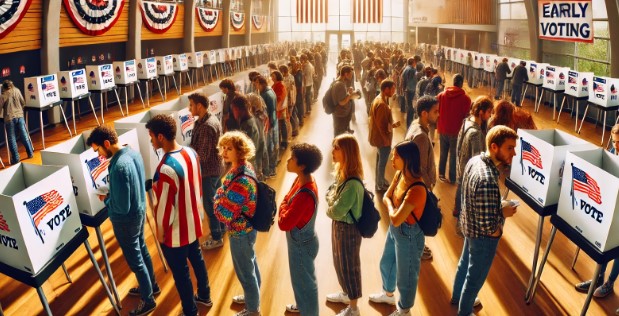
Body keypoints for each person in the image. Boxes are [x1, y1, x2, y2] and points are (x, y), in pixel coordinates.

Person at [86, 126, 158, 316]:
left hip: (126, 221)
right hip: (139, 211)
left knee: (136, 261)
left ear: (107, 143)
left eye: (98, 149)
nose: (99, 155)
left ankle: (148, 300)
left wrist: (107, 199)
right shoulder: (132, 153)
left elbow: (121, 207)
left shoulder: (118, 167)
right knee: (142, 249)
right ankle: (151, 286)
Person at [146, 115, 213, 316]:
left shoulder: (165, 169)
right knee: (198, 260)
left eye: (151, 136)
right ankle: (205, 296)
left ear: (160, 137)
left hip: (175, 232)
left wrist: (160, 232)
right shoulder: (191, 152)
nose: (150, 140)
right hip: (193, 221)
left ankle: (190, 311)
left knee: (181, 272)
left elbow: (165, 208)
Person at [451, 125, 519, 316]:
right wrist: (502, 214)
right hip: (483, 239)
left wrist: (497, 204)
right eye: (510, 148)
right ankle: (464, 312)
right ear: (494, 147)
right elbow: (489, 227)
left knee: (464, 264)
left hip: (468, 226)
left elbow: (474, 198)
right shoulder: (488, 179)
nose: (514, 153)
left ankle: (457, 297)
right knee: (475, 280)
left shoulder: (475, 161)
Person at [368, 141, 427, 316]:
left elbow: (394, 218)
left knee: (406, 276)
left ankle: (404, 309)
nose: (392, 158)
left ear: (407, 159)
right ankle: (388, 294)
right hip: (397, 231)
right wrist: (390, 204)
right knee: (387, 263)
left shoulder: (416, 189)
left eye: (396, 156)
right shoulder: (400, 175)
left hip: (409, 234)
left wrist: (389, 204)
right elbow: (386, 196)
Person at [214, 131, 261, 316]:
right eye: (223, 148)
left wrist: (218, 194)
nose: (224, 152)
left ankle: (252, 310)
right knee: (251, 265)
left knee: (245, 272)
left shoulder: (241, 179)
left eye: (229, 149)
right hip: (247, 229)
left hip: (240, 231)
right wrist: (223, 193)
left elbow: (223, 214)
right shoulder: (242, 167)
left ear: (240, 151)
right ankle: (253, 298)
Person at [574, 124, 619, 300]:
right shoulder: (612, 151)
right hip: (609, 203)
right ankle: (598, 278)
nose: (617, 146)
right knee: (604, 241)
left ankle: (610, 282)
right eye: (615, 142)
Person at [278, 143, 323, 316]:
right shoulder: (301, 179)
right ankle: (302, 306)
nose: (288, 161)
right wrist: (286, 205)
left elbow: (284, 223)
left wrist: (284, 206)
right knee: (300, 281)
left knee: (306, 284)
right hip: (301, 242)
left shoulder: (305, 193)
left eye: (292, 159)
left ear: (302, 165)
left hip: (301, 246)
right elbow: (286, 199)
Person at [325, 134, 365, 316]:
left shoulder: (353, 183)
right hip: (339, 227)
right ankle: (346, 294)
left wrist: (330, 207)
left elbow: (336, 210)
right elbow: (330, 194)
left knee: (350, 266)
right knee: (339, 263)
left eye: (336, 148)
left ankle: (354, 308)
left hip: (348, 229)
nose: (332, 151)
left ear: (347, 152)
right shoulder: (342, 174)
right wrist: (332, 203)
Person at [187, 92, 226, 250]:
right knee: (218, 202)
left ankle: (216, 237)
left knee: (211, 206)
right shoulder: (206, 120)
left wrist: (186, 155)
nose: (189, 109)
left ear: (199, 106)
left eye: (191, 105)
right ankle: (221, 229)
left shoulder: (206, 126)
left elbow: (201, 156)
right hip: (215, 169)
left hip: (209, 172)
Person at [453, 96, 494, 237]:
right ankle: (461, 226)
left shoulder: (466, 122)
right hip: (469, 173)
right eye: (489, 112)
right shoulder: (476, 134)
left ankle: (458, 216)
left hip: (461, 167)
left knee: (460, 194)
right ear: (481, 112)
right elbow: (477, 159)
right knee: (465, 199)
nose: (490, 115)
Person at [405, 95, 439, 261]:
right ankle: (417, 247)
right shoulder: (421, 136)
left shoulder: (415, 125)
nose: (438, 115)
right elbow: (420, 167)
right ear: (424, 113)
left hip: (415, 185)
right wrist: (427, 187)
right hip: (420, 186)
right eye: (435, 112)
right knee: (419, 219)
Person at [437, 74, 471, 184]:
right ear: (461, 83)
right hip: (456, 131)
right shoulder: (466, 99)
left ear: (453, 82)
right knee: (453, 155)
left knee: (443, 153)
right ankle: (452, 178)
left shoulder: (441, 95)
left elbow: (436, 110)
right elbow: (466, 116)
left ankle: (441, 174)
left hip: (442, 128)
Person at [369, 79, 400, 192]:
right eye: (392, 89)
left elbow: (382, 122)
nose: (393, 91)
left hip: (380, 138)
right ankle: (380, 184)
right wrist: (386, 141)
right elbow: (381, 126)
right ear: (386, 89)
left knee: (379, 161)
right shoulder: (381, 104)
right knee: (382, 163)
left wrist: (393, 125)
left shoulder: (379, 99)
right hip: (383, 140)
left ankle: (380, 180)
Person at [2, 80, 34, 164]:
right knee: (24, 135)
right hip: (20, 116)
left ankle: (16, 158)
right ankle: (30, 153)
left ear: (4, 87)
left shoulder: (3, 95)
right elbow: (23, 102)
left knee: (12, 138)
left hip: (9, 118)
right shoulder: (17, 90)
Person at [256, 76, 278, 177]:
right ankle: (272, 168)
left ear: (261, 83)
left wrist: (268, 125)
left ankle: (269, 170)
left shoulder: (265, 95)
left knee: (268, 147)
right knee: (271, 146)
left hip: (268, 123)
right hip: (272, 121)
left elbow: (266, 111)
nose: (255, 86)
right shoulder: (271, 90)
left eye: (256, 84)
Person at [330, 65, 356, 137]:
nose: (351, 76)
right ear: (346, 74)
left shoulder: (338, 82)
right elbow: (342, 102)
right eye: (351, 74)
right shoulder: (340, 85)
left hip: (339, 113)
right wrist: (350, 95)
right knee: (340, 135)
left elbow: (340, 95)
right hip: (340, 114)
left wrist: (347, 91)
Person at [271, 70, 289, 150]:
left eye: (273, 76)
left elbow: (280, 97)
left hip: (280, 109)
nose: (272, 78)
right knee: (281, 125)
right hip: (279, 108)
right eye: (271, 76)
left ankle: (284, 142)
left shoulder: (280, 85)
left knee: (282, 125)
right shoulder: (276, 84)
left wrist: (276, 107)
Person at [400, 58, 418, 129]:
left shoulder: (406, 68)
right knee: (411, 108)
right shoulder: (412, 70)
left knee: (409, 107)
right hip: (411, 90)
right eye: (414, 62)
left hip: (407, 89)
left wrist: (403, 89)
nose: (415, 64)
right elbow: (415, 78)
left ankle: (408, 124)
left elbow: (403, 79)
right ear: (413, 62)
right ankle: (410, 124)